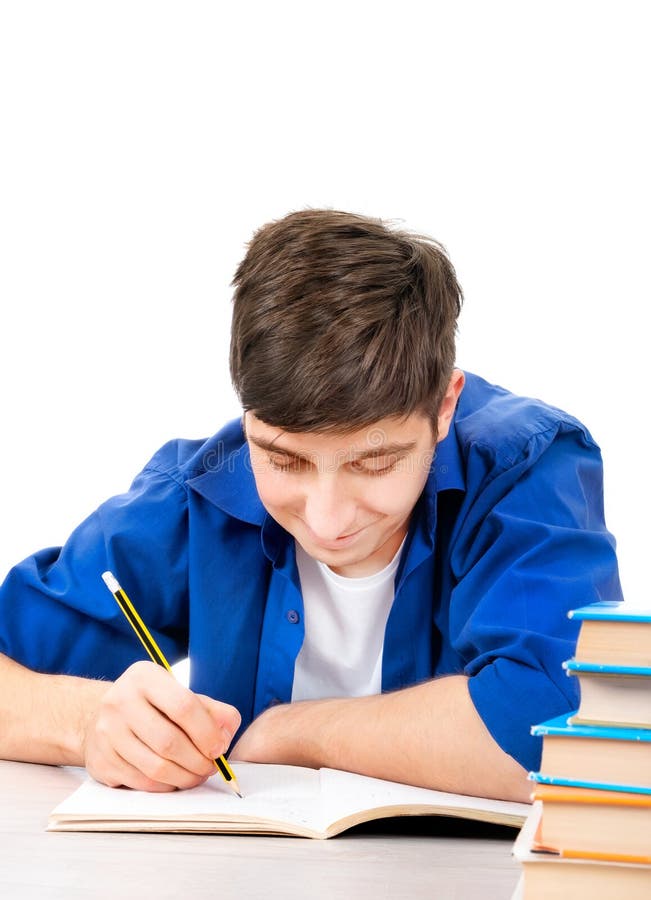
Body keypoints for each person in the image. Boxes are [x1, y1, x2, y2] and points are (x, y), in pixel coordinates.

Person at [0, 209, 622, 802]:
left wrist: (291, 733)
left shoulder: (524, 467)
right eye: (285, 459)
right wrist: (89, 723)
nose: (327, 520)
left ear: (444, 407)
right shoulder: (202, 490)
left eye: (374, 462)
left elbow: (561, 726)